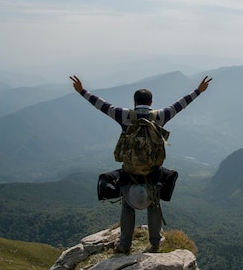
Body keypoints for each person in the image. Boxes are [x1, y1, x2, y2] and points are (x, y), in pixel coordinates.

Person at [70, 74, 212, 254]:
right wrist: (198, 90)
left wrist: (82, 90)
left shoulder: (124, 115)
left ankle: (124, 245)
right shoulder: (159, 117)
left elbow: (101, 105)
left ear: (134, 102)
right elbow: (179, 105)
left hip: (129, 173)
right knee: (154, 204)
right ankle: (155, 243)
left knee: (128, 207)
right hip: (153, 173)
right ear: (151, 102)